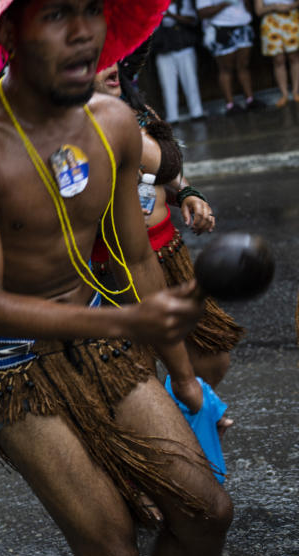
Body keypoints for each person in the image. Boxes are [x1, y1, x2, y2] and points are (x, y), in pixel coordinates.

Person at [0, 1, 232, 556]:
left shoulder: (114, 123)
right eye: (58, 13)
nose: (83, 33)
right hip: (10, 366)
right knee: (111, 552)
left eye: (92, 10)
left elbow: (132, 251)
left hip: (98, 334)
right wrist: (127, 326)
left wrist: (180, 373)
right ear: (11, 32)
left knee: (208, 512)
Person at [93, 56, 243, 435]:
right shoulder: (81, 125)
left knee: (211, 356)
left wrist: (186, 193)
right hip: (119, 267)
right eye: (95, 60)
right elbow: (161, 160)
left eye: (112, 55)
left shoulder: (137, 108)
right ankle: (170, 437)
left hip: (168, 251)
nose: (108, 64)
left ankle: (187, 414)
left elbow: (165, 173)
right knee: (139, 369)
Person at [197, 0, 266, 113]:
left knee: (243, 65)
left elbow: (248, 6)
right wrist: (225, 3)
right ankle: (230, 104)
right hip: (221, 29)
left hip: (242, 26)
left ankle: (250, 99)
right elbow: (201, 13)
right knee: (226, 69)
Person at [152, 0, 206, 122]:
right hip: (163, 49)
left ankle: (197, 112)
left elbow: (192, 19)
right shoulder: (154, 7)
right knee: (167, 85)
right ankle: (172, 116)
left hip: (184, 48)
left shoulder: (183, 3)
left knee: (190, 81)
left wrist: (172, 16)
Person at [255, 0, 299, 107]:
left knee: (294, 57)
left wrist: (291, 6)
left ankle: (296, 91)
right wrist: (274, 7)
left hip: (291, 17)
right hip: (271, 21)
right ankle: (284, 94)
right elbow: (258, 11)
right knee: (278, 60)